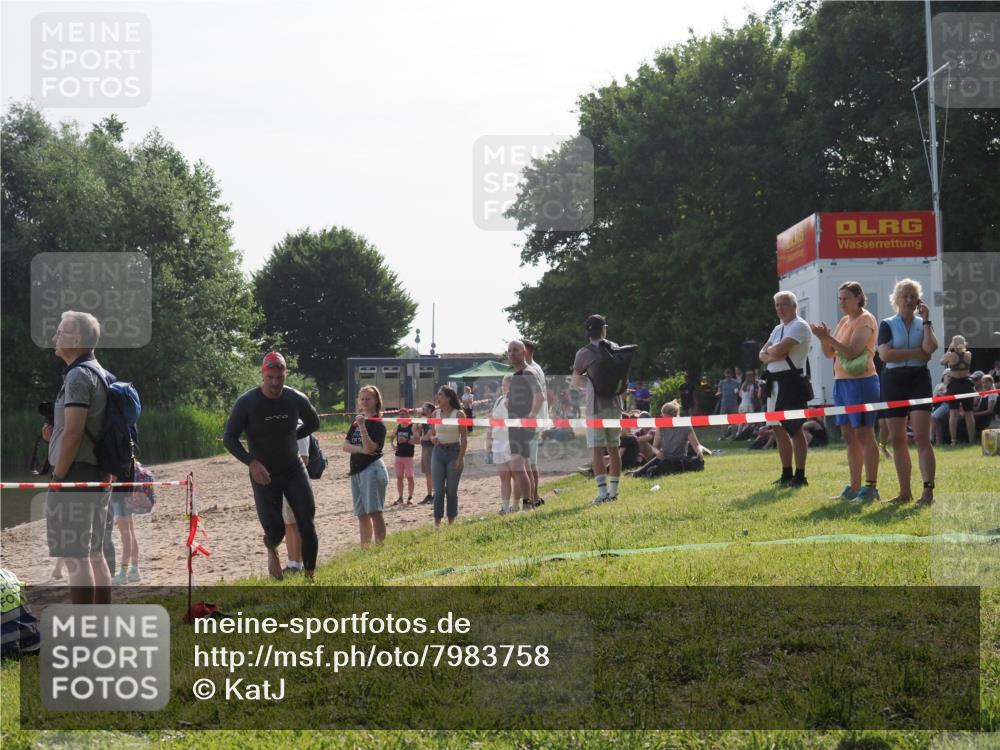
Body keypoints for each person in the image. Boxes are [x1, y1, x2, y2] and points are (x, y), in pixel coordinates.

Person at [223, 352, 321, 579]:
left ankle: (310, 577)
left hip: (293, 468)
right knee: (275, 531)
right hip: (264, 473)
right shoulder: (247, 402)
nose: (275, 383)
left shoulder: (295, 398)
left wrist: (292, 436)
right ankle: (271, 548)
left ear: (285, 374)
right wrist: (252, 463)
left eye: (280, 377)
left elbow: (314, 422)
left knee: (307, 522)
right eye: (271, 378)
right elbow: (229, 438)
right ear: (263, 375)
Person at [44, 311, 115, 604]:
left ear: (76, 339)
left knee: (76, 556)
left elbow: (74, 434)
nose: (54, 338)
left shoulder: (77, 375)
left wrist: (58, 477)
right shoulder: (102, 373)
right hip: (98, 473)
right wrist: (55, 435)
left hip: (76, 475)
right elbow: (79, 429)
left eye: (60, 332)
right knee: (96, 553)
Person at [810, 281, 881, 502]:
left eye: (846, 298)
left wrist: (828, 338)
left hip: (861, 382)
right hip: (841, 382)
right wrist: (823, 339)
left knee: (864, 433)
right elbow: (831, 353)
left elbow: (851, 352)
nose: (841, 303)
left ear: (859, 297)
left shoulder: (866, 319)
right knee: (849, 436)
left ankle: (871, 488)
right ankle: (854, 487)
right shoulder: (844, 320)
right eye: (839, 298)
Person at [877, 278, 938, 506]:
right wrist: (917, 352)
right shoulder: (887, 324)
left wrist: (927, 320)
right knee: (898, 439)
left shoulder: (924, 323)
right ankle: (905, 493)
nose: (910, 300)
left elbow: (930, 349)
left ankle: (928, 493)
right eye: (905, 296)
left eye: (913, 296)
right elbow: (885, 355)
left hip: (919, 379)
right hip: (893, 381)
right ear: (897, 299)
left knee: (922, 438)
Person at [759, 291, 813, 488]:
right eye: (777, 305)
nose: (780, 309)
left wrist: (773, 353)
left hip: (791, 382)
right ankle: (786, 473)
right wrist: (774, 353)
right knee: (777, 427)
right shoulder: (777, 328)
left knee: (795, 428)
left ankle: (800, 475)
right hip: (774, 383)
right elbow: (762, 354)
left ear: (793, 306)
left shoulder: (799, 326)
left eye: (784, 304)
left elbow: (778, 350)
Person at [573, 314, 625, 505]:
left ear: (588, 332)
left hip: (595, 406)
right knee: (614, 448)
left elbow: (576, 380)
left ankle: (602, 493)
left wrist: (590, 382)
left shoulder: (583, 353)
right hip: (615, 405)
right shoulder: (615, 347)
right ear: (604, 329)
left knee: (596, 450)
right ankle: (614, 491)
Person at [341, 385, 389, 547]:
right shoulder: (357, 420)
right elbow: (345, 446)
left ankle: (380, 547)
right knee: (361, 514)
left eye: (368, 398)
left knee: (374, 511)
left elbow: (371, 449)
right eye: (362, 398)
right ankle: (365, 549)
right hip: (356, 471)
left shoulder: (377, 424)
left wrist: (362, 427)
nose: (365, 401)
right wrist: (361, 449)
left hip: (372, 469)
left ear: (376, 401)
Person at [506, 340, 544, 510]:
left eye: (515, 350)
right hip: (515, 425)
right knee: (524, 466)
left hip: (523, 426)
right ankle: (531, 503)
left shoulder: (528, 373)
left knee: (517, 466)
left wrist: (532, 415)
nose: (512, 353)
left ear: (524, 352)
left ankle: (528, 505)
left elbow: (540, 396)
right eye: (509, 351)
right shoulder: (517, 375)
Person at [631, 401, 705, 478]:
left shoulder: (686, 427)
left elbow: (697, 445)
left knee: (696, 463)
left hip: (680, 459)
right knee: (638, 474)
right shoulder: (661, 427)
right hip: (663, 458)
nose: (662, 417)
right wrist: (658, 452)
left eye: (664, 416)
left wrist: (699, 452)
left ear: (673, 416)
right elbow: (654, 447)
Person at [429, 386, 468, 526]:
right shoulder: (434, 414)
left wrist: (460, 458)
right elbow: (432, 433)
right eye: (437, 395)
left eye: (440, 395)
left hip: (454, 452)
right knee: (438, 490)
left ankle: (451, 522)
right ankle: (437, 524)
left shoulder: (459, 415)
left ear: (449, 397)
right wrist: (433, 438)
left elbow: (464, 438)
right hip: (438, 452)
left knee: (451, 490)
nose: (437, 397)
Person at [280, 422, 312, 576]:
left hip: (295, 483)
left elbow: (304, 459)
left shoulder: (298, 426)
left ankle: (298, 564)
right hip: (282, 482)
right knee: (289, 524)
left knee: (297, 524)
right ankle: (292, 562)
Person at [522, 339, 548, 507]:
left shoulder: (532, 370)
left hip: (532, 420)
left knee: (530, 462)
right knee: (529, 462)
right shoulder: (532, 368)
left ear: (527, 351)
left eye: (519, 350)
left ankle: (534, 497)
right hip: (533, 420)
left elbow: (538, 397)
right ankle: (533, 497)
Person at [486, 375, 516, 513]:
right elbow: (492, 420)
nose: (503, 386)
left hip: (511, 440)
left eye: (505, 384)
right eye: (502, 384)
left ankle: (515, 505)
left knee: (516, 475)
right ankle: (504, 507)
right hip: (498, 440)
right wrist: (489, 440)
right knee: (504, 477)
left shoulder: (516, 399)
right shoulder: (499, 400)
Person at [940, 335, 976, 445]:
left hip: (955, 385)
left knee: (953, 413)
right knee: (969, 413)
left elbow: (941, 361)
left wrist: (950, 348)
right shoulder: (968, 354)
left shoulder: (950, 355)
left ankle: (953, 441)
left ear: (953, 344)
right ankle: (971, 440)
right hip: (966, 384)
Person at [391, 408, 416, 506]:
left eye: (404, 414)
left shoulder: (412, 427)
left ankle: (410, 497)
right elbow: (392, 437)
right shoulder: (397, 427)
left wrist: (406, 440)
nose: (401, 416)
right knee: (399, 477)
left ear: (408, 416)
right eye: (400, 414)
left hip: (409, 456)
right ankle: (400, 497)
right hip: (398, 456)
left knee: (410, 477)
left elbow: (417, 441)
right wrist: (393, 445)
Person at [416, 401, 435, 504]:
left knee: (432, 473)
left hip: (431, 449)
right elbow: (416, 433)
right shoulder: (424, 421)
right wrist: (418, 419)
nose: (422, 410)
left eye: (424, 408)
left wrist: (419, 437)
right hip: (425, 449)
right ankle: (429, 495)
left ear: (430, 410)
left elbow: (427, 437)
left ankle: (436, 495)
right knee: (427, 474)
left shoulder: (432, 421)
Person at [972, 374, 999, 439]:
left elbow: (989, 411)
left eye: (986, 382)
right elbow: (977, 408)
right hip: (980, 416)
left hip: (986, 419)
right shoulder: (983, 394)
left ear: (991, 383)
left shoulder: (992, 394)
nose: (984, 384)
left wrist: (974, 414)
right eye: (983, 382)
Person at [931, 369, 952, 446]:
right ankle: (936, 441)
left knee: (934, 417)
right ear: (943, 376)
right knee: (933, 418)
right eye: (948, 376)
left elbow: (949, 400)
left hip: (948, 405)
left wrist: (943, 396)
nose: (949, 378)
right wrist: (938, 396)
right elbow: (933, 399)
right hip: (938, 405)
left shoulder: (952, 386)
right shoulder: (938, 386)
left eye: (951, 376)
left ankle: (933, 438)